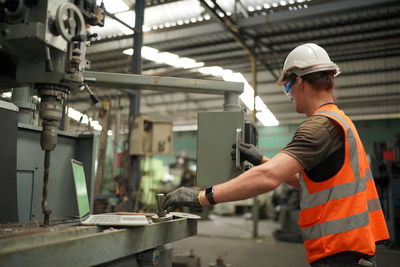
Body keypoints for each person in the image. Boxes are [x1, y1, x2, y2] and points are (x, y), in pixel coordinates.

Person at [162, 43, 389, 266]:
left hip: (340, 252)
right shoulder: (341, 121)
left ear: (299, 81)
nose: (289, 95)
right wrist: (261, 159)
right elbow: (311, 185)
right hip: (350, 249)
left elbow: (268, 177)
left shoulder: (320, 127)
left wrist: (202, 197)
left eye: (287, 87)